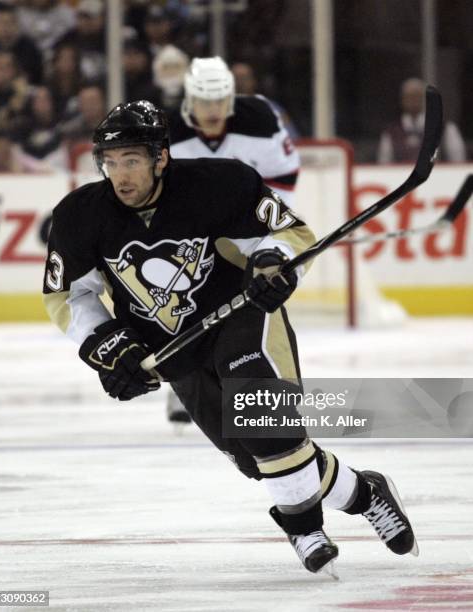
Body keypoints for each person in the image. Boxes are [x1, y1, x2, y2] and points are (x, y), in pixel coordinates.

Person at [42, 100, 418, 576]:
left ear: (161, 158)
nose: (120, 175)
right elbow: (69, 296)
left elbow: (289, 232)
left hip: (240, 319)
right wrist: (112, 348)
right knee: (253, 459)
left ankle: (304, 527)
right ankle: (365, 493)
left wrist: (269, 262)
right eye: (110, 163)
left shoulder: (220, 184)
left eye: (132, 160)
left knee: (268, 431)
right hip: (169, 347)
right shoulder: (80, 214)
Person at [167, 56, 300, 423]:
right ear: (189, 100)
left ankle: (263, 386)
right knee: (184, 304)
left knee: (257, 302)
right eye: (204, 102)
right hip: (191, 236)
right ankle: (186, 385)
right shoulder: (166, 131)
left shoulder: (259, 117)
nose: (212, 111)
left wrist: (268, 236)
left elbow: (284, 180)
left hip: (249, 230)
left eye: (219, 101)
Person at [377, 77, 467, 163]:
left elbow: (458, 160)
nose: (413, 100)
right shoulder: (391, 131)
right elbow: (384, 163)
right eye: (409, 97)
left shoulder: (445, 128)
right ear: (402, 100)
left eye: (417, 96)